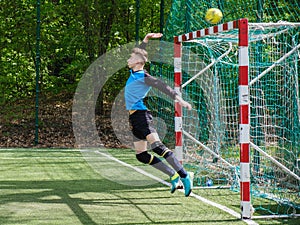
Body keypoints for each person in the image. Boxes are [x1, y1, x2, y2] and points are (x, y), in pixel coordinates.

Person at [125, 33, 193, 197]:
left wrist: (179, 99)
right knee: (141, 155)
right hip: (134, 119)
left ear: (138, 62)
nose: (128, 59)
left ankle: (184, 176)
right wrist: (146, 40)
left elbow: (162, 86)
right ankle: (172, 173)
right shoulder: (134, 73)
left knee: (158, 147)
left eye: (131, 57)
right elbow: (141, 53)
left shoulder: (144, 76)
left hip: (142, 117)